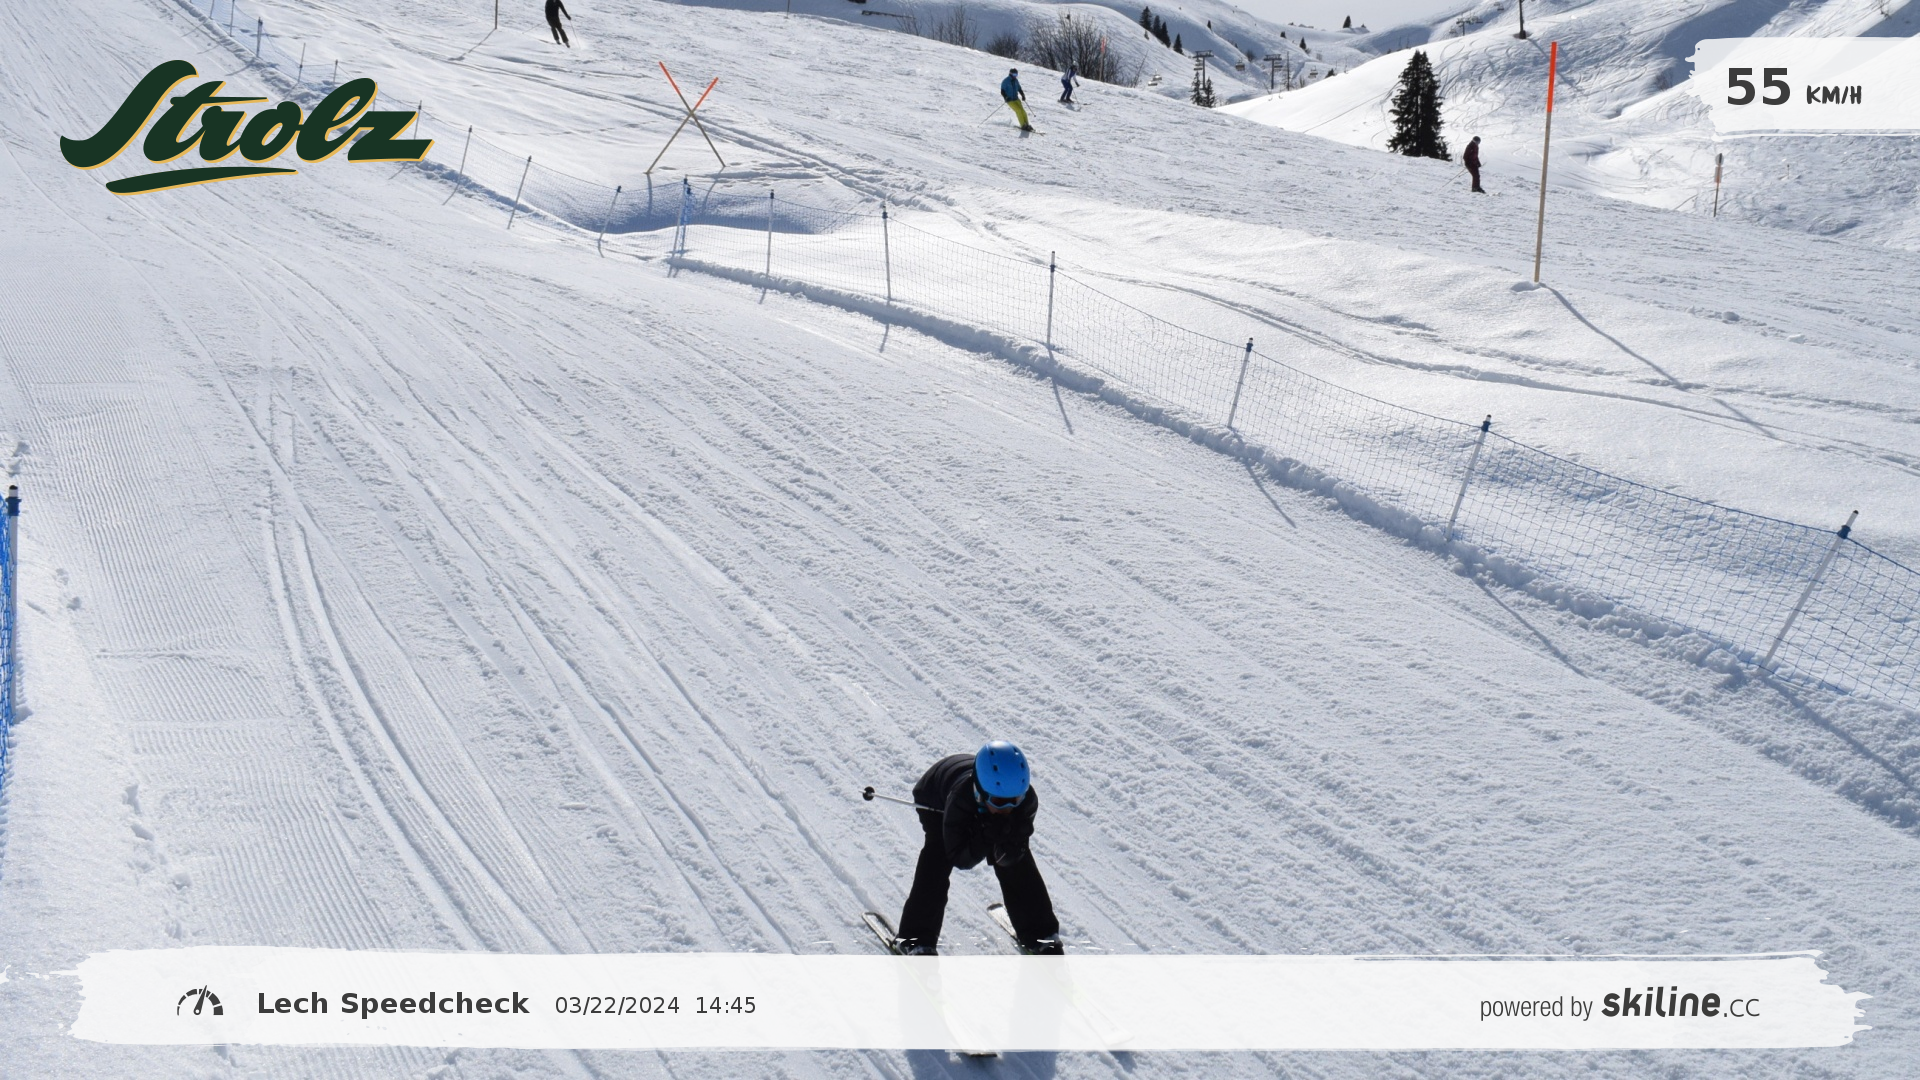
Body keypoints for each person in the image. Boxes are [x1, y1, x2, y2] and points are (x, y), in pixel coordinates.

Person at [894, 741, 1063, 955]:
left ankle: (1040, 934)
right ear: (981, 792)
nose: (1008, 809)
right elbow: (959, 857)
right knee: (937, 858)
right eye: (1000, 802)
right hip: (936, 797)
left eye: (1015, 799)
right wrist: (985, 836)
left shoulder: (1026, 801)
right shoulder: (960, 799)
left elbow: (1014, 853)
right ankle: (914, 940)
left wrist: (1005, 841)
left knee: (1017, 864)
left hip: (973, 786)